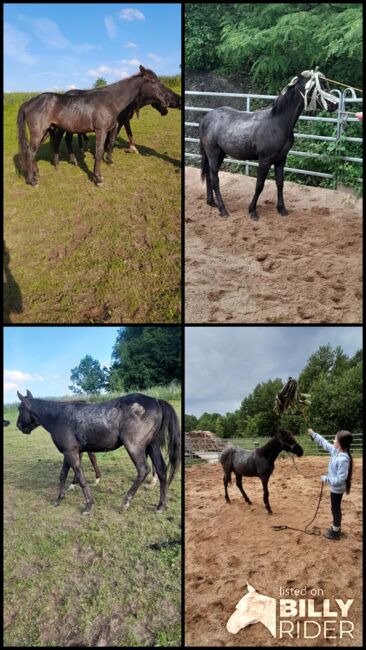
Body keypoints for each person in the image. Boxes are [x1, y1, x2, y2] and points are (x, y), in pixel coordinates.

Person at [307, 428, 353, 540]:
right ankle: (336, 528)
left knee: (335, 509)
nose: (333, 441)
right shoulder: (336, 451)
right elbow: (324, 443)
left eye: (335, 439)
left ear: (340, 443)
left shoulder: (343, 459)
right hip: (334, 487)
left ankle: (335, 532)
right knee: (335, 508)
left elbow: (341, 479)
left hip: (337, 488)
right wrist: (314, 434)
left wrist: (326, 479)